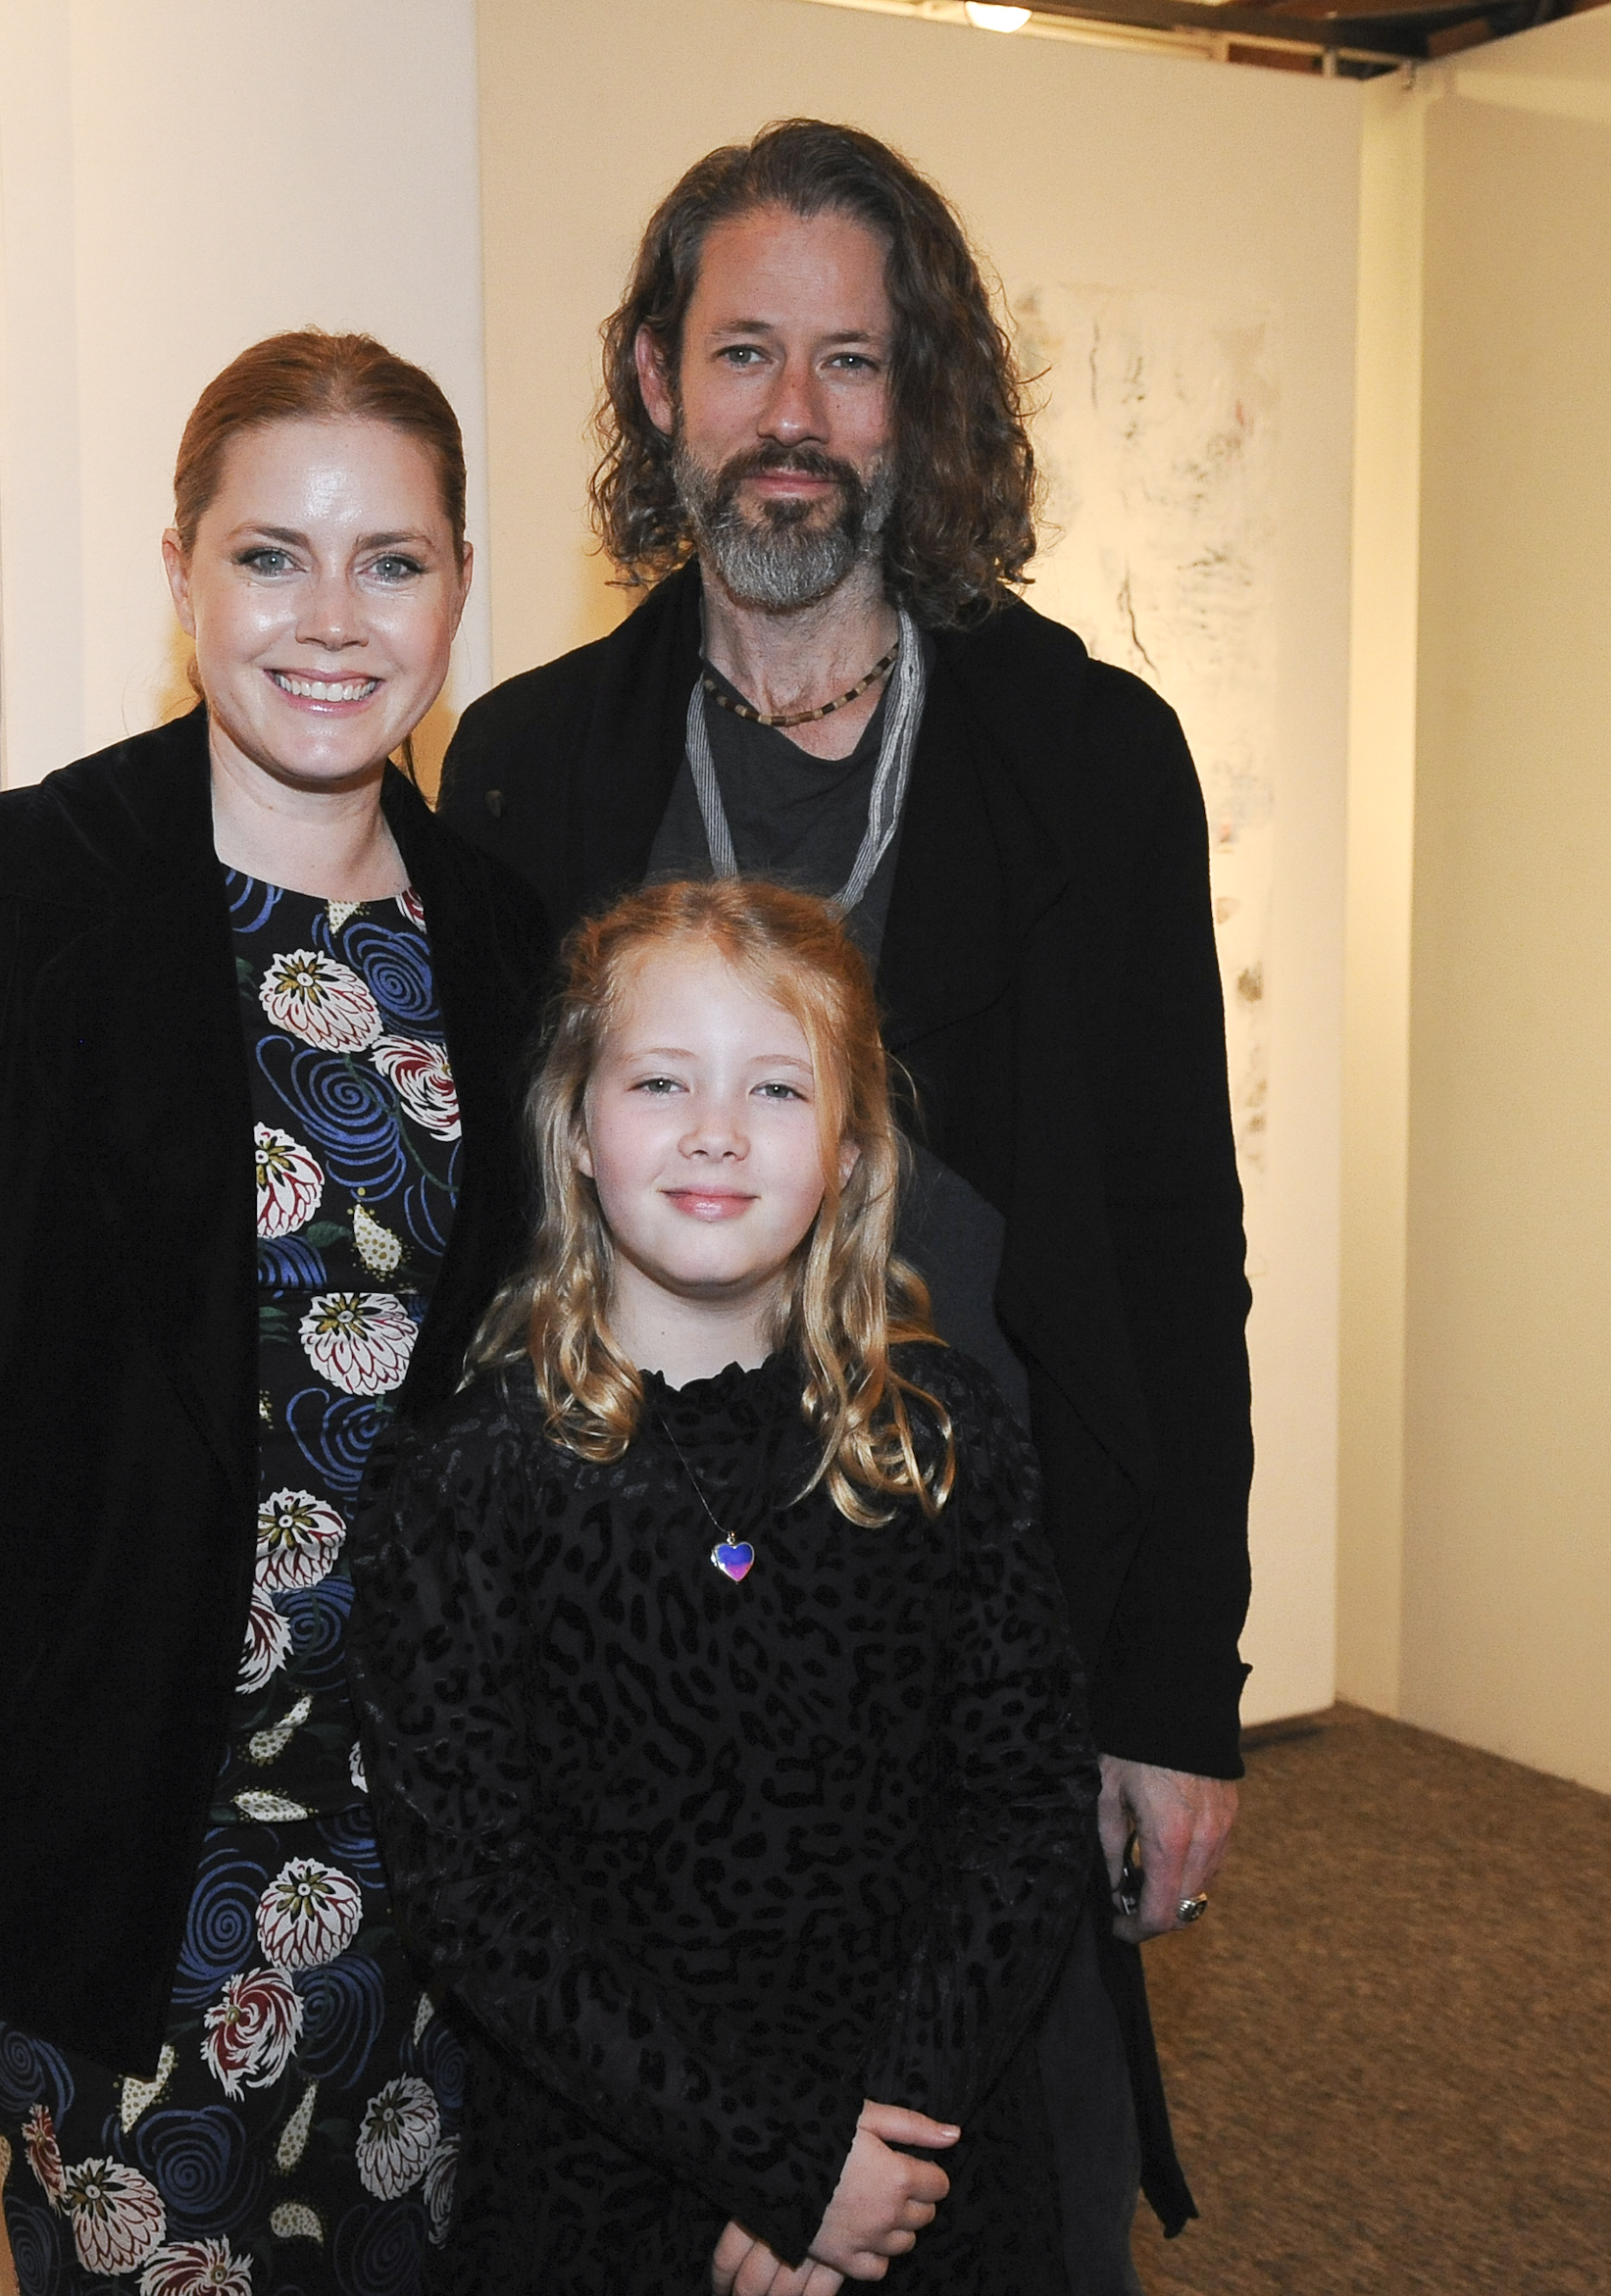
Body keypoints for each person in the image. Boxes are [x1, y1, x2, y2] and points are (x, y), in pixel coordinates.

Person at [434, 120, 1252, 2281]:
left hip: (998, 1637)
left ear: (923, 399)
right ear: (651, 381)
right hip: (634, 1672)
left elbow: (1178, 1240)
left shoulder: (1092, 757)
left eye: (854, 364)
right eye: (743, 356)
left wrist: (1177, 1691)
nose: (794, 421)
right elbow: (494, 1241)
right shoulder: (522, 769)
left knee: (1006, 2218)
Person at [0, 331, 549, 2296]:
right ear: (179, 571)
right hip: (118, 1857)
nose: (332, 620)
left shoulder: (519, 940)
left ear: (458, 586)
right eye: (272, 556)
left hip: (450, 1881)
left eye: (392, 562)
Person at [349, 878, 1095, 2295]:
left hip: (919, 2155)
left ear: (853, 1148)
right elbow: (476, 1897)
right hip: (610, 2169)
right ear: (575, 1127)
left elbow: (1025, 1812)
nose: (713, 1130)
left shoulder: (939, 1434)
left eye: (774, 1087)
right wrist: (780, 2158)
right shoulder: (471, 1480)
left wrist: (863, 2162)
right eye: (659, 1080)